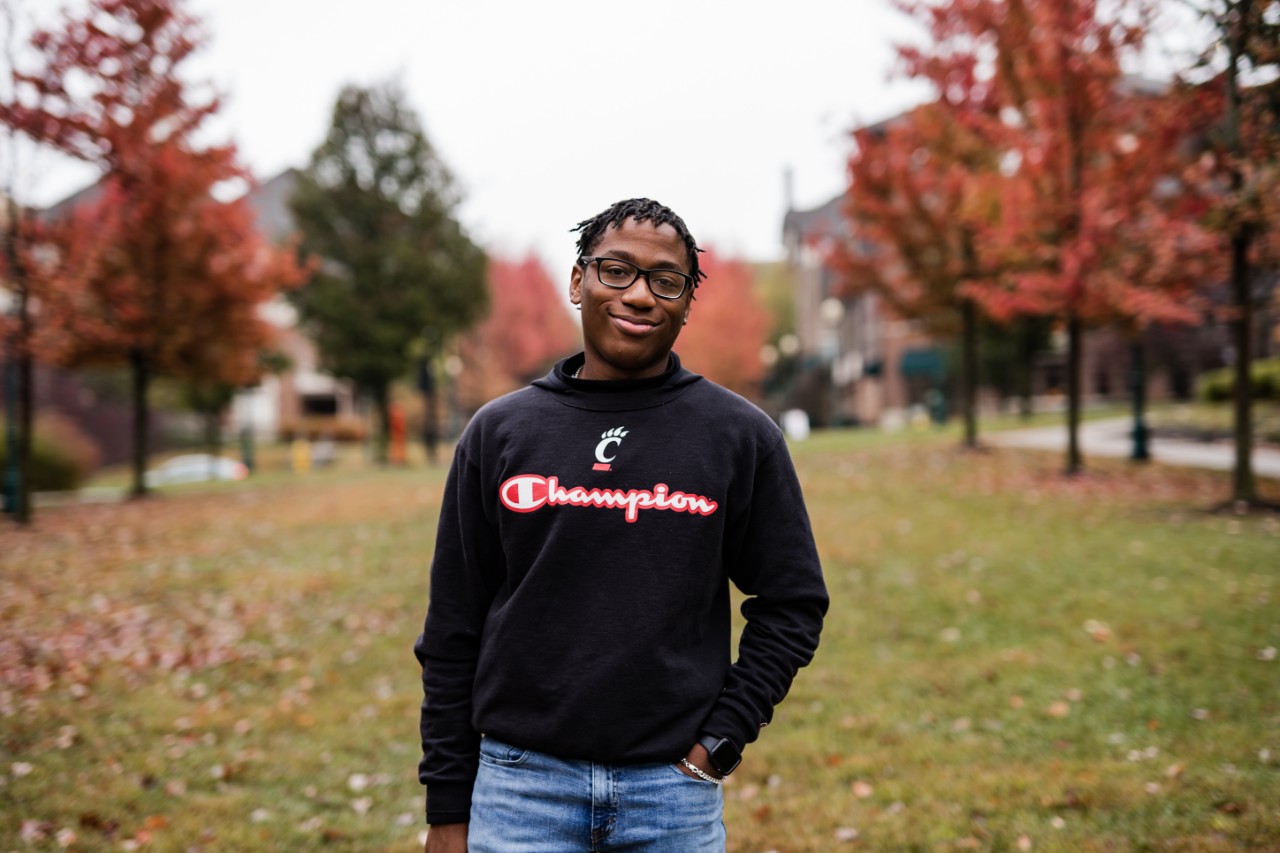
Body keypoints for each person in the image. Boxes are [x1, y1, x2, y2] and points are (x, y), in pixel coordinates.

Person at [414, 198, 828, 852]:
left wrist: (718, 744)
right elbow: (452, 626)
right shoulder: (499, 434)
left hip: (671, 795)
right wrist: (446, 803)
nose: (640, 294)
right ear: (578, 281)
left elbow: (793, 600)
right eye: (617, 271)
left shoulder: (739, 438)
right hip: (521, 788)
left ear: (687, 303)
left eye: (667, 281)